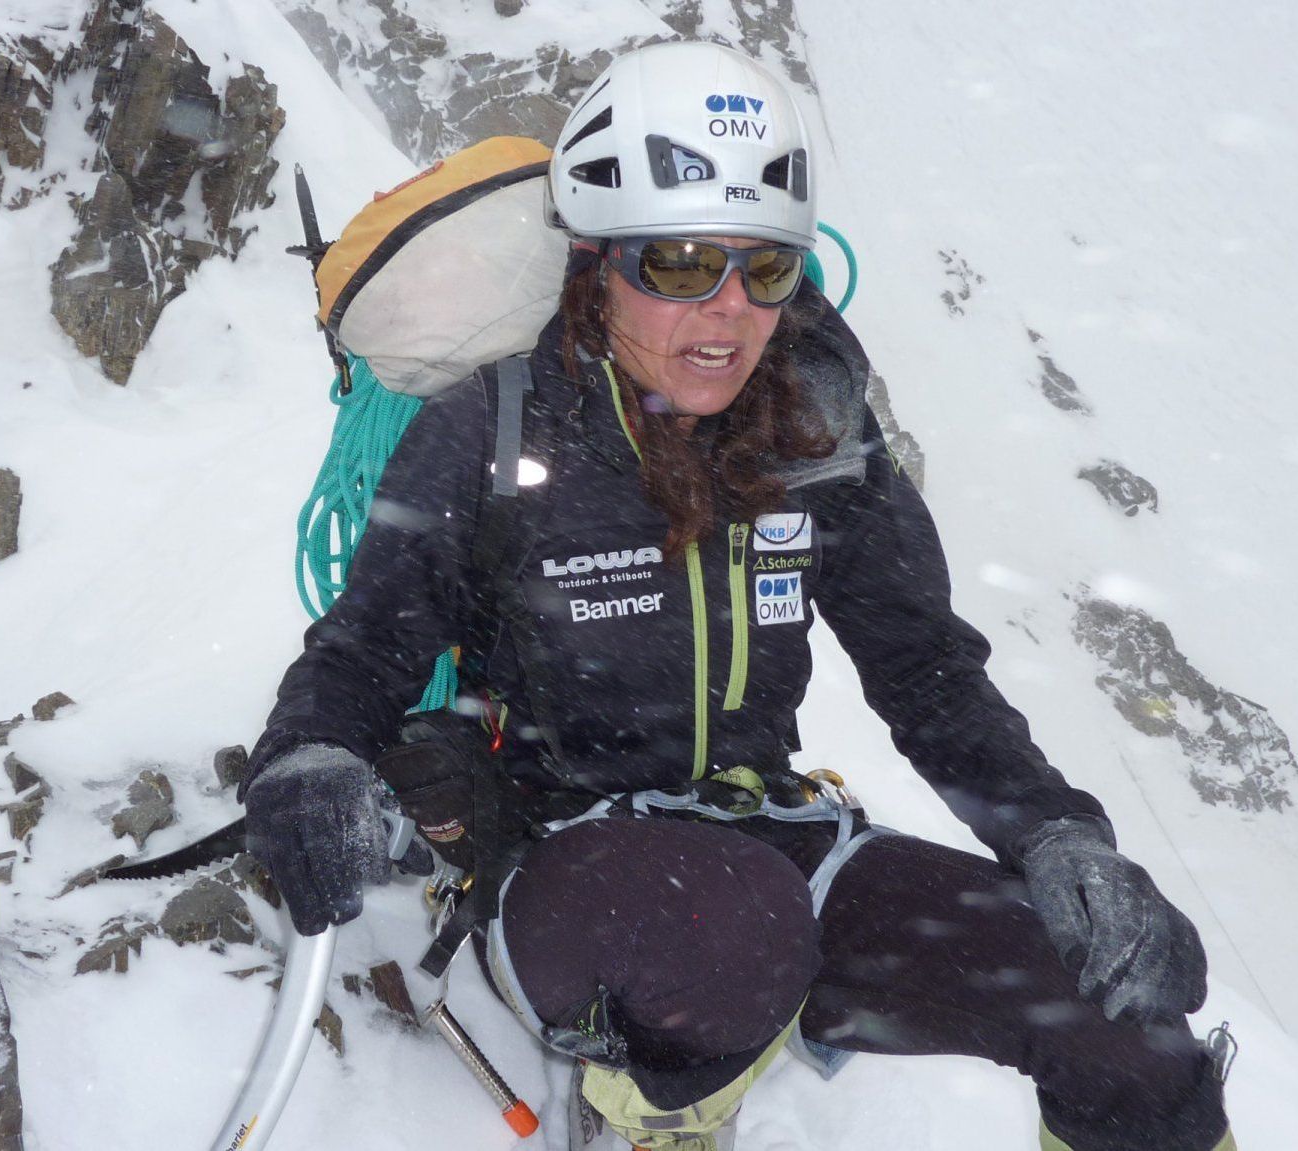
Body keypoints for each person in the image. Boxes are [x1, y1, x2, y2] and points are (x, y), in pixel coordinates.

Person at [242, 41, 1234, 1151]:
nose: (726, 312)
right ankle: (652, 1121)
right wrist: (309, 756)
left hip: (780, 841)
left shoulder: (812, 429)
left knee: (1126, 1025)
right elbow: (363, 648)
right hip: (565, 863)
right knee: (729, 930)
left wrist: (1059, 836)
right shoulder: (493, 429)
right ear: (597, 261)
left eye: (764, 270)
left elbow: (925, 669)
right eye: (677, 263)